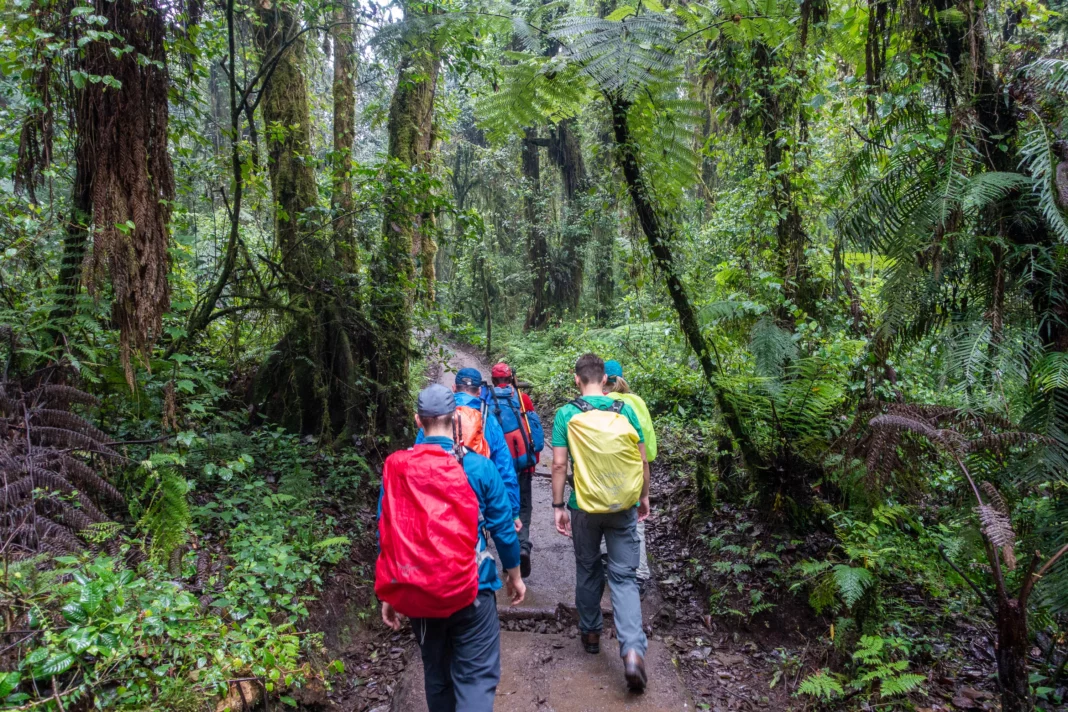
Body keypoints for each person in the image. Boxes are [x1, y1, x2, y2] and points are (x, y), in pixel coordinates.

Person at [377, 384, 526, 712]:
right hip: (472, 590)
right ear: (455, 419)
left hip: (419, 594)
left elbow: (387, 530)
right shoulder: (479, 467)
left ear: (419, 420)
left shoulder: (397, 468)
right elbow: (502, 528)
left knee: (437, 673)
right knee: (476, 677)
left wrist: (390, 592)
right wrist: (514, 575)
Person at [551, 353, 650, 692]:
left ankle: (591, 634)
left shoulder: (566, 413)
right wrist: (643, 497)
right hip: (623, 504)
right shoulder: (626, 411)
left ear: (577, 380)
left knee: (588, 568)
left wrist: (558, 505)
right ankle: (633, 651)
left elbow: (559, 466)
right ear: (605, 380)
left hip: (584, 507)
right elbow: (641, 460)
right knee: (624, 579)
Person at [416, 367, 521, 529]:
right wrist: (513, 512)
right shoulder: (488, 419)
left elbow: (418, 456)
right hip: (477, 500)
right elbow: (504, 466)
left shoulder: (436, 417)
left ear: (453, 388)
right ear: (479, 391)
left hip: (437, 497)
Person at [485, 362, 545, 577]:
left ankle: (507, 555)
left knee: (501, 507)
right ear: (511, 379)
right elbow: (532, 430)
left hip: (497, 468)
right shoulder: (522, 399)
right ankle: (522, 546)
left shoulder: (487, 399)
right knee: (524, 506)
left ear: (493, 380)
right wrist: (532, 462)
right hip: (523, 464)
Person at [603, 359, 655, 599]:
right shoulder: (638, 401)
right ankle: (641, 572)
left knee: (607, 517)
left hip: (614, 471)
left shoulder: (608, 405)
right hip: (638, 470)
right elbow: (648, 445)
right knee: (637, 523)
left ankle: (612, 567)